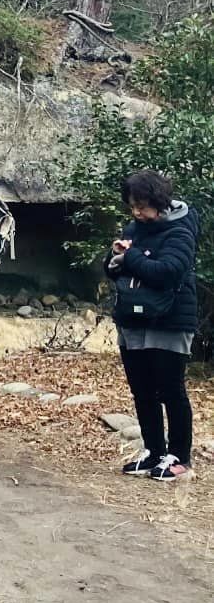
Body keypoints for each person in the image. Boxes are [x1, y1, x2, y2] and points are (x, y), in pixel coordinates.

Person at [107, 169, 199, 482]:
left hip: (170, 321)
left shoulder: (180, 230)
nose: (136, 213)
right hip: (133, 320)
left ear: (159, 202)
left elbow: (167, 272)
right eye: (132, 206)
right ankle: (154, 451)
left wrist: (130, 257)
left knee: (171, 390)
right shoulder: (135, 227)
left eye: (142, 206)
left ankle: (180, 457)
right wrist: (115, 258)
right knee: (142, 391)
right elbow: (118, 268)